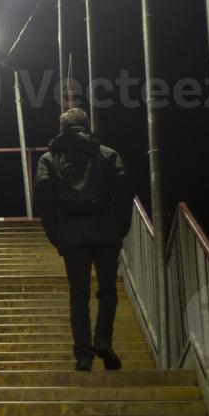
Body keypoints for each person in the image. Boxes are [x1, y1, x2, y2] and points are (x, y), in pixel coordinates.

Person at [32, 108, 134, 372]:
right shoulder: (107, 155)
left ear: (62, 128)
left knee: (78, 295)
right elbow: (124, 190)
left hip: (71, 232)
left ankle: (83, 354)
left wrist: (55, 232)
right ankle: (103, 341)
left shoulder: (49, 158)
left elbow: (43, 196)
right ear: (87, 126)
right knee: (107, 290)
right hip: (105, 231)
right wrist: (120, 226)